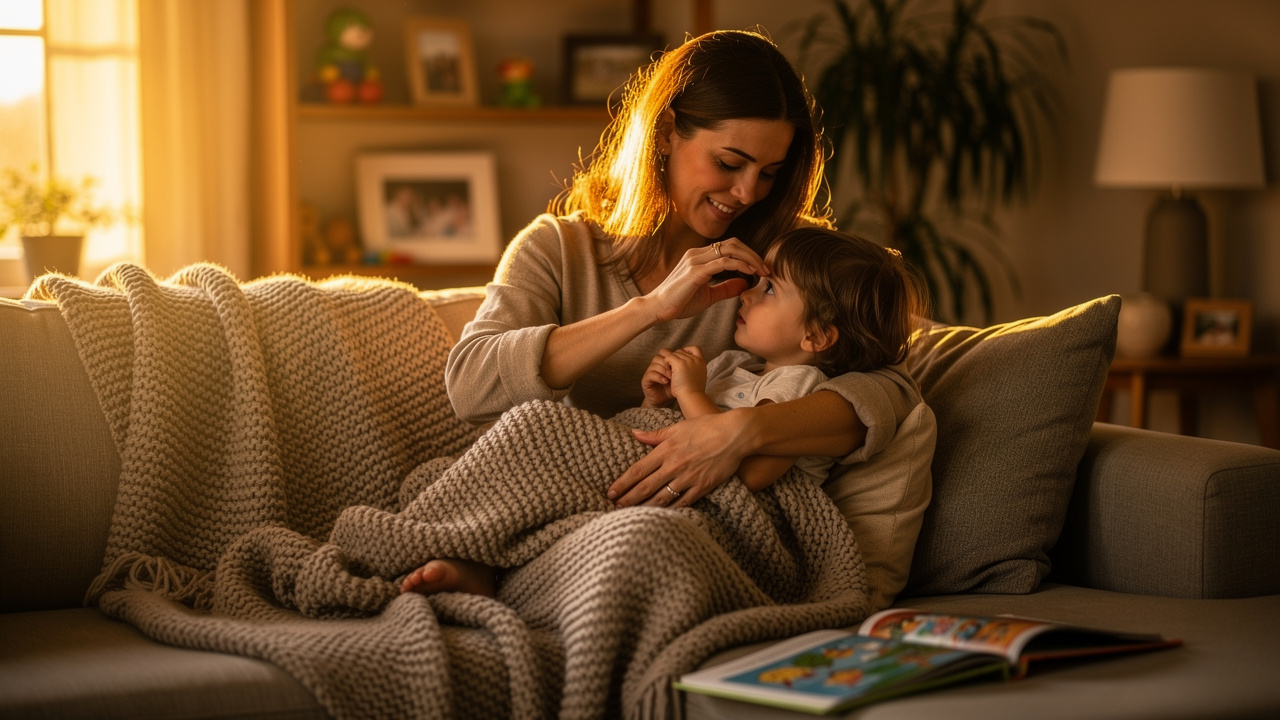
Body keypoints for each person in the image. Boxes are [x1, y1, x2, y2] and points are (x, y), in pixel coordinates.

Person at [446, 29, 876, 512]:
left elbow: (886, 390)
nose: (749, 193)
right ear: (668, 131)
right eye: (729, 162)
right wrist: (648, 310)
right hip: (579, 489)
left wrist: (738, 432)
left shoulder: (783, 261)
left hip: (682, 511)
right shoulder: (557, 248)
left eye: (770, 172)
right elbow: (470, 388)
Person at [404, 226, 926, 596]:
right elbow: (473, 383)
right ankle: (479, 555)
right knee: (529, 435)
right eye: (728, 162)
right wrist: (658, 398)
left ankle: (485, 565)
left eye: (768, 289)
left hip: (726, 518)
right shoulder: (738, 364)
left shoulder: (800, 384)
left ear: (817, 335)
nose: (747, 292)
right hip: (651, 478)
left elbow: (752, 471)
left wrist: (691, 395)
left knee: (599, 507)